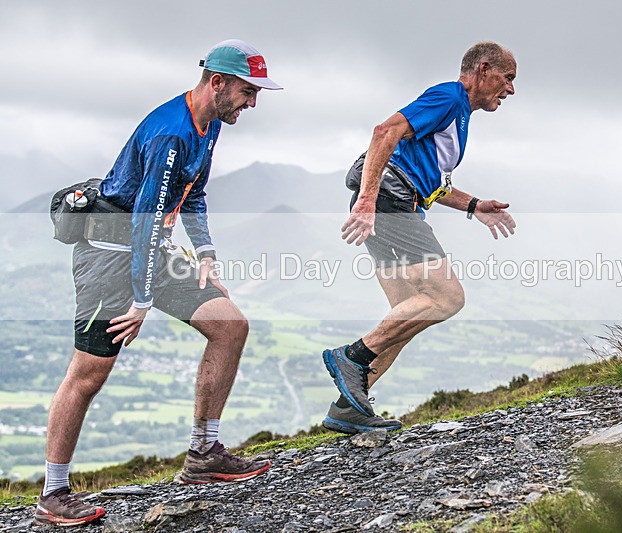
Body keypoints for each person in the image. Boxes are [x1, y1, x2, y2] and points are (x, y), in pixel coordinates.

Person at [35, 39, 282, 527]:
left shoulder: (207, 125)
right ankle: (53, 493)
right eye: (249, 91)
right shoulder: (170, 133)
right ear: (218, 83)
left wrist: (206, 255)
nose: (254, 102)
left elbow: (194, 194)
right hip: (109, 252)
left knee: (230, 325)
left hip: (151, 249)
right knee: (88, 373)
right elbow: (146, 221)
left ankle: (204, 454)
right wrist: (143, 300)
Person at [321, 41, 517, 434]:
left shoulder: (458, 114)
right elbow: (384, 133)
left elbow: (430, 180)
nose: (510, 90)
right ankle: (351, 357)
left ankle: (348, 408)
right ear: (483, 70)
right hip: (391, 201)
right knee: (447, 297)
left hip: (396, 199)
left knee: (408, 314)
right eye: (507, 78)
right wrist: (367, 201)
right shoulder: (449, 97)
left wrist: (473, 204)